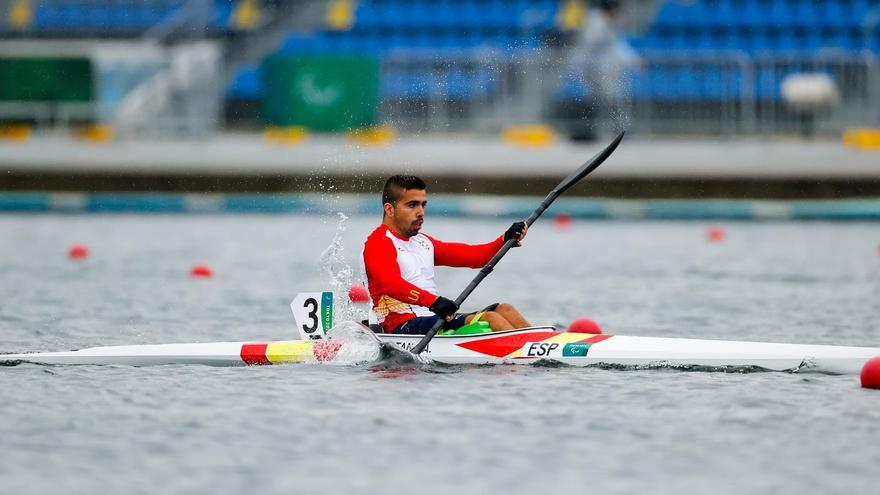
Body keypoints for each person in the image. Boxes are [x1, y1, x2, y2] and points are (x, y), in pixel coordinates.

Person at [360, 175, 532, 335]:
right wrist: (434, 302)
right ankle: (531, 354)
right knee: (491, 318)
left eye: (423, 205)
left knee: (505, 310)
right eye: (412, 205)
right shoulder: (378, 242)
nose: (421, 212)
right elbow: (390, 284)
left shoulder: (423, 242)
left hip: (433, 319)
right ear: (389, 210)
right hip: (400, 326)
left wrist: (503, 240)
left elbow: (474, 256)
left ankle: (546, 344)